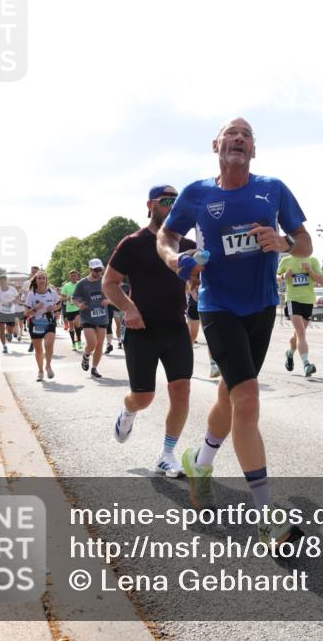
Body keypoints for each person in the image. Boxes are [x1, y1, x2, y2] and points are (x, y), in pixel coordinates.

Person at [157, 116, 312, 547]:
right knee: (246, 397)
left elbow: (305, 242)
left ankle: (199, 461)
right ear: (216, 145)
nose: (239, 139)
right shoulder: (197, 193)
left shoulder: (272, 188)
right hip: (218, 305)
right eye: (232, 133)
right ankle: (266, 515)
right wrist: (177, 261)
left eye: (247, 135)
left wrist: (281, 242)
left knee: (230, 392)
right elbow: (166, 237)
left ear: (253, 150)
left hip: (261, 307)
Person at [105, 185, 196, 477]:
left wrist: (196, 283)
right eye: (165, 200)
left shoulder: (187, 244)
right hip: (142, 330)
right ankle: (128, 411)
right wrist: (128, 309)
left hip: (176, 327)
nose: (171, 205)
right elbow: (109, 283)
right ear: (151, 205)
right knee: (143, 397)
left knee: (181, 390)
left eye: (176, 201)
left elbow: (193, 279)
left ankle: (167, 454)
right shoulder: (132, 243)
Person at [277, 253, 323, 376]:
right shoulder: (286, 260)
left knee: (298, 333)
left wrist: (310, 270)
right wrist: (283, 276)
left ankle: (290, 353)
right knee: (301, 332)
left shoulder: (313, 260)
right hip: (293, 299)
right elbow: (275, 276)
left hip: (308, 300)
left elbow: (321, 280)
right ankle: (306, 364)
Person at [74, 259, 110, 378]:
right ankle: (86, 354)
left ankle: (94, 368)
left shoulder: (105, 281)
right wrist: (79, 305)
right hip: (88, 317)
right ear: (90, 270)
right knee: (92, 343)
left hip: (102, 317)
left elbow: (115, 295)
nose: (99, 272)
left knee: (100, 345)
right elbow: (74, 298)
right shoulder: (82, 283)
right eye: (96, 270)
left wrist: (108, 301)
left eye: (101, 269)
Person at [23, 270, 62, 381]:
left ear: (46, 280)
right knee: (39, 350)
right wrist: (36, 308)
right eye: (39, 278)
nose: (41, 280)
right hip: (35, 323)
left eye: (43, 278)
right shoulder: (32, 294)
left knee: (49, 345)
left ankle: (48, 366)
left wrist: (54, 308)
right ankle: (40, 371)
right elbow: (26, 312)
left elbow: (59, 303)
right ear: (36, 280)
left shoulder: (52, 292)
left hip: (49, 322)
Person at [0, 276, 21, 354]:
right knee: (1, 329)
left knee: (10, 329)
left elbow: (18, 298)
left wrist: (16, 301)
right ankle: (4, 346)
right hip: (1, 312)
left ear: (7, 281)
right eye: (0, 281)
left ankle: (9, 334)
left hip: (11, 312)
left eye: (4, 281)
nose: (2, 283)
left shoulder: (12, 289)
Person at [61, 270, 84, 351]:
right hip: (69, 309)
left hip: (78, 308)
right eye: (72, 276)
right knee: (71, 326)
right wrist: (68, 298)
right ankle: (73, 343)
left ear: (77, 276)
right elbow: (62, 297)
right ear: (69, 277)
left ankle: (79, 341)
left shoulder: (80, 284)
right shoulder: (66, 286)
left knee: (77, 324)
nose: (73, 277)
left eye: (75, 275)